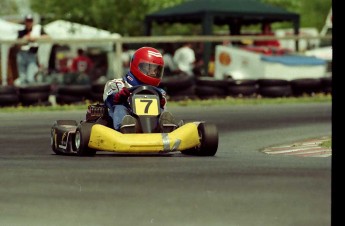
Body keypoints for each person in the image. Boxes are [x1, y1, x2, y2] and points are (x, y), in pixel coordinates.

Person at [103, 46, 181, 132]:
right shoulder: (118, 84)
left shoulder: (159, 92)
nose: (153, 72)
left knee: (162, 111)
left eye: (157, 69)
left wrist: (161, 104)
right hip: (126, 121)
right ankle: (125, 127)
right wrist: (118, 97)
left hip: (151, 124)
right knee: (119, 107)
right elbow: (108, 102)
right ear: (136, 65)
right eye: (149, 68)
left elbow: (164, 108)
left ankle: (166, 127)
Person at [16, 14, 48, 85]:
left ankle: (31, 94)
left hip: (32, 54)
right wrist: (25, 39)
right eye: (27, 21)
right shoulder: (21, 31)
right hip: (22, 55)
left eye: (30, 21)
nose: (29, 23)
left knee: (30, 77)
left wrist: (35, 38)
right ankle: (24, 94)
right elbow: (17, 45)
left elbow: (47, 37)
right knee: (22, 78)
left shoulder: (38, 29)